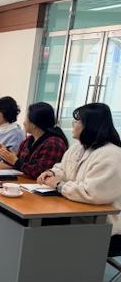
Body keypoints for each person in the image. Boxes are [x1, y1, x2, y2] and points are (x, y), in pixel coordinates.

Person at [38, 103, 121, 257]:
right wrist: (51, 173)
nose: (73, 125)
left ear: (89, 125)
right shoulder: (78, 147)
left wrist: (59, 185)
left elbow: (92, 193)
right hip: (74, 212)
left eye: (77, 122)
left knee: (43, 229)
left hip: (104, 225)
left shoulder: (112, 155)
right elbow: (63, 168)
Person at [0, 102, 68, 179]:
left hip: (38, 185)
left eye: (26, 119)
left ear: (34, 123)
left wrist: (15, 161)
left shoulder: (54, 144)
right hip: (23, 181)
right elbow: (19, 163)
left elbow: (40, 172)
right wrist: (5, 154)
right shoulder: (29, 140)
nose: (24, 123)